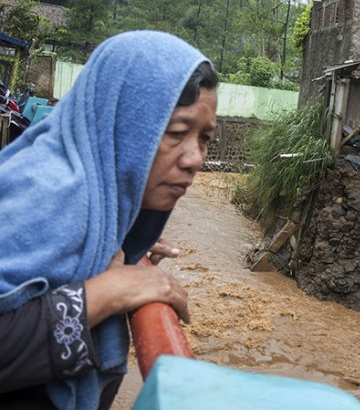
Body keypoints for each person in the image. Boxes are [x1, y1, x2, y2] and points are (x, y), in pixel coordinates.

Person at [0, 30, 218, 409]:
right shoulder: (49, 193)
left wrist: (124, 242)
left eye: (204, 139)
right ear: (123, 125)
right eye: (177, 133)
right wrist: (112, 291)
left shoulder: (95, 208)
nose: (195, 159)